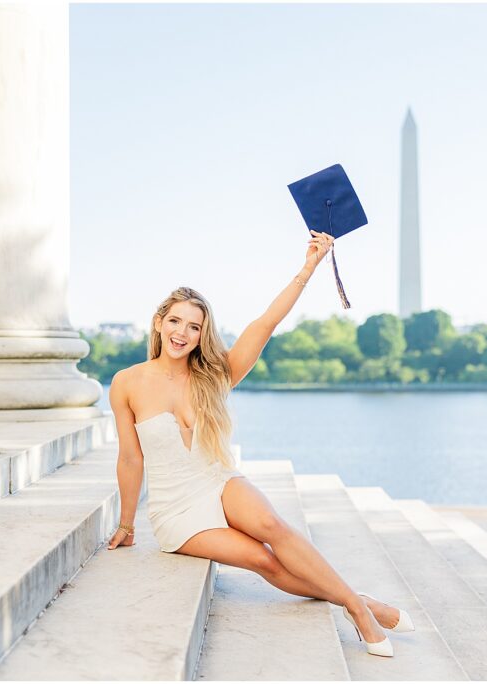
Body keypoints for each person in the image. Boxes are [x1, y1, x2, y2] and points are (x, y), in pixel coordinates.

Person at [105, 229, 413, 657]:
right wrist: (126, 523)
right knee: (263, 561)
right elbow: (129, 457)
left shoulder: (215, 376)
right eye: (175, 321)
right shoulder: (126, 383)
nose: (182, 332)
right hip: (176, 510)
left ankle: (357, 610)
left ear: (201, 334)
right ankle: (361, 601)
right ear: (159, 322)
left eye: (194, 326)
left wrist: (309, 266)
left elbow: (266, 322)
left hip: (218, 481)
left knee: (273, 527)